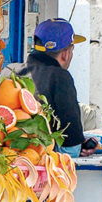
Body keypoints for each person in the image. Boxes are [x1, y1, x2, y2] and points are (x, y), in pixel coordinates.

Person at [23, 18, 94, 157]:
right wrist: (82, 146)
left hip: (9, 155)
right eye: (72, 50)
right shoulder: (60, 77)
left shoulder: (10, 71)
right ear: (65, 54)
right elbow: (71, 149)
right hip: (42, 159)